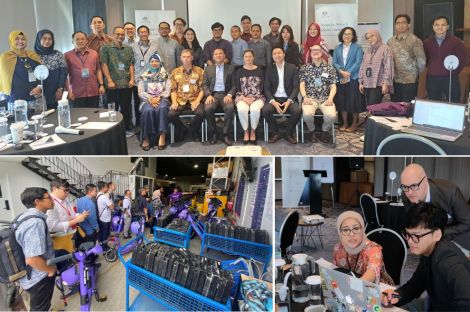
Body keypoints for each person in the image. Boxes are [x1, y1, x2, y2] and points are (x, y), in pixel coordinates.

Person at [382, 202, 470, 311]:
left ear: (437, 234)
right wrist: (397, 295)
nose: (410, 241)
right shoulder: (427, 251)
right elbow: (416, 284)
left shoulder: (449, 261)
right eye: (408, 234)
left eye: (416, 236)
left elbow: (467, 302)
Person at [400, 163, 470, 251]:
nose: (409, 193)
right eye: (405, 187)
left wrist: (436, 233)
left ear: (425, 180)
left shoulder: (450, 191)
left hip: (458, 235)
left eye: (414, 186)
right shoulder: (405, 196)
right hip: (430, 240)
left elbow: (467, 223)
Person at [15, 187, 56, 312]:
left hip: (29, 275)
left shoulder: (23, 216)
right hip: (38, 277)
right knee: (39, 309)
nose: (52, 200)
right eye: (48, 197)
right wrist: (49, 270)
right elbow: (32, 258)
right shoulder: (35, 222)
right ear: (38, 201)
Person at [333, 211, 394, 284]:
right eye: (346, 230)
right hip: (349, 286)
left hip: (378, 289)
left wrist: (355, 285)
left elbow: (372, 273)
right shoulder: (338, 248)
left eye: (356, 228)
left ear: (362, 230)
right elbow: (336, 272)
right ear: (340, 233)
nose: (351, 234)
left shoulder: (373, 249)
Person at [262, 46, 301, 144]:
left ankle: (288, 133)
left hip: (288, 98)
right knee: (266, 110)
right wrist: (273, 101)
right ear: (272, 56)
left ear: (284, 54)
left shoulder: (292, 67)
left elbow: (296, 87)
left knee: (297, 111)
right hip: (274, 98)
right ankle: (276, 132)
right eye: (274, 54)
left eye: (279, 53)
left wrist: (289, 101)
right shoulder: (269, 69)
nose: (277, 55)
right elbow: (266, 88)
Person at [300, 44, 338, 145]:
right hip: (310, 98)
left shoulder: (329, 69)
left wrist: (330, 98)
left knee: (331, 115)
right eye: (313, 50)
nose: (316, 52)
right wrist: (304, 97)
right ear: (310, 53)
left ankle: (324, 132)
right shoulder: (304, 68)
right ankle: (312, 131)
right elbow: (302, 85)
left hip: (325, 98)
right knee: (307, 115)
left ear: (322, 53)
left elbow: (333, 86)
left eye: (318, 50)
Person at [423, 16, 466, 103]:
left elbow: (463, 59)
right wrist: (433, 68)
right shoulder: (427, 42)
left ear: (448, 26)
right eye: (437, 25)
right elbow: (425, 59)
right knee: (434, 104)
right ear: (433, 27)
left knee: (454, 103)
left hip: (451, 77)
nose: (440, 27)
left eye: (443, 25)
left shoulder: (456, 41)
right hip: (432, 78)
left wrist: (454, 71)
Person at [100, 26, 135, 134]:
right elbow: (104, 64)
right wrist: (109, 80)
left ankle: (126, 128)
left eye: (122, 34)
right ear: (113, 34)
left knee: (125, 108)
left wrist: (132, 79)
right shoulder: (105, 48)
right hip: (112, 84)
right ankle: (113, 130)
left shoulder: (128, 49)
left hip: (126, 83)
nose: (120, 36)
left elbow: (131, 65)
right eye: (117, 34)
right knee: (112, 108)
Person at [387, 14, 426, 103]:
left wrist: (413, 73)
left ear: (409, 25)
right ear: (395, 25)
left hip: (409, 81)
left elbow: (422, 61)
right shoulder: (390, 41)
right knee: (395, 106)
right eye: (398, 23)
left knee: (407, 107)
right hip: (395, 80)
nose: (400, 25)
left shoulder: (415, 40)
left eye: (403, 22)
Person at [168, 49, 205, 142]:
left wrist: (197, 101)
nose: (186, 59)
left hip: (195, 99)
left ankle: (194, 130)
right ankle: (182, 129)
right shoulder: (175, 72)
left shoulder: (200, 71)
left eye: (188, 57)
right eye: (184, 57)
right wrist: (174, 102)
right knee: (171, 114)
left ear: (192, 58)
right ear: (181, 58)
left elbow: (203, 89)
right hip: (180, 100)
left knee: (200, 113)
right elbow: (173, 90)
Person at [333, 27, 365, 132]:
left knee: (354, 101)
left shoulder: (357, 47)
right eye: (345, 34)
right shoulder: (337, 48)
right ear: (342, 35)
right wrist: (341, 71)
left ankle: (354, 123)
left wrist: (348, 72)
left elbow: (358, 61)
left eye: (349, 34)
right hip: (341, 78)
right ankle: (345, 122)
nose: (347, 36)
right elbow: (334, 62)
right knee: (342, 101)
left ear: (353, 36)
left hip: (353, 78)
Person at [202, 48, 236, 145]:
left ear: (224, 56)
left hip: (226, 94)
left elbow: (234, 85)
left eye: (221, 53)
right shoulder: (208, 69)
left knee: (230, 107)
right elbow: (204, 84)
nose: (218, 55)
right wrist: (208, 95)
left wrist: (229, 94)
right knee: (208, 108)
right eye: (216, 54)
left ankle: (225, 134)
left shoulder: (231, 68)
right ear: (213, 57)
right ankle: (214, 132)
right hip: (213, 95)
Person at [138, 52, 170, 150]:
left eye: (156, 61)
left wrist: (159, 97)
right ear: (149, 63)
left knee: (162, 108)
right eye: (152, 61)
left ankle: (162, 135)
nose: (154, 63)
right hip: (146, 100)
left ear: (160, 62)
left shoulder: (166, 75)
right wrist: (150, 99)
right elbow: (140, 92)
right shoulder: (143, 76)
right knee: (148, 110)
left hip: (162, 98)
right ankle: (146, 138)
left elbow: (168, 91)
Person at [65, 31, 105, 108]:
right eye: (77, 39)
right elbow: (65, 75)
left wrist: (101, 85)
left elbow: (98, 70)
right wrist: (68, 91)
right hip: (76, 92)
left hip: (93, 91)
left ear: (87, 40)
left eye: (83, 39)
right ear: (73, 41)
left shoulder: (94, 53)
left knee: (93, 115)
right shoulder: (67, 55)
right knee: (78, 117)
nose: (80, 41)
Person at [0, 30, 42, 104]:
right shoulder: (6, 57)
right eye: (17, 39)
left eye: (23, 39)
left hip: (35, 96)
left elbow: (41, 73)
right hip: (16, 100)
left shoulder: (32, 55)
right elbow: (4, 80)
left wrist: (39, 87)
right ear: (11, 41)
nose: (20, 41)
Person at [46, 180, 88, 253]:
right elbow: (52, 227)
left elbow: (72, 214)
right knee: (66, 260)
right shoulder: (50, 203)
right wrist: (76, 220)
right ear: (55, 189)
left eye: (69, 190)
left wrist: (80, 215)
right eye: (65, 190)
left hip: (71, 234)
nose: (68, 193)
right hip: (61, 239)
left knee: (75, 255)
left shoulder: (65, 200)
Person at [234, 49, 265, 144]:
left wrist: (253, 99)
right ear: (243, 58)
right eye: (246, 56)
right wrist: (244, 98)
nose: (248, 58)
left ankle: (253, 131)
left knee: (255, 109)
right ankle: (245, 131)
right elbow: (237, 88)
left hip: (258, 98)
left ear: (253, 57)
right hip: (242, 97)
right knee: (241, 109)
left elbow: (263, 87)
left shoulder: (260, 70)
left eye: (250, 56)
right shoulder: (239, 71)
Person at [358, 29, 394, 106]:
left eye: (372, 36)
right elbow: (362, 66)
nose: (370, 39)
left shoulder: (386, 48)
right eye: (368, 38)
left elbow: (388, 66)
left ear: (377, 35)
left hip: (379, 84)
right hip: (367, 83)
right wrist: (361, 82)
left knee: (374, 107)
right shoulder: (368, 50)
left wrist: (385, 83)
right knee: (369, 106)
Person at [132, 25, 159, 127]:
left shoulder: (155, 45)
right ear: (138, 34)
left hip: (151, 79)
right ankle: (140, 124)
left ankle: (153, 123)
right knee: (138, 102)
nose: (143, 34)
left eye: (145, 32)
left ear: (148, 33)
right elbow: (131, 63)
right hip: (137, 78)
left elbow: (158, 60)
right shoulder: (133, 46)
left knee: (152, 100)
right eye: (141, 32)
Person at [34, 29, 68, 109]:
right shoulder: (33, 56)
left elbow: (63, 73)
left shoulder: (58, 54)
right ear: (39, 40)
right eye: (44, 38)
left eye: (50, 39)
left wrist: (60, 89)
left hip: (56, 90)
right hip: (40, 92)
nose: (47, 41)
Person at [96, 181, 114, 247]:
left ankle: (101, 245)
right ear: (103, 187)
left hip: (101, 217)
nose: (107, 188)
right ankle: (104, 247)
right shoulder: (104, 196)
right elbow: (111, 206)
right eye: (106, 187)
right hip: (105, 219)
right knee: (105, 234)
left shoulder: (98, 195)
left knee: (101, 233)